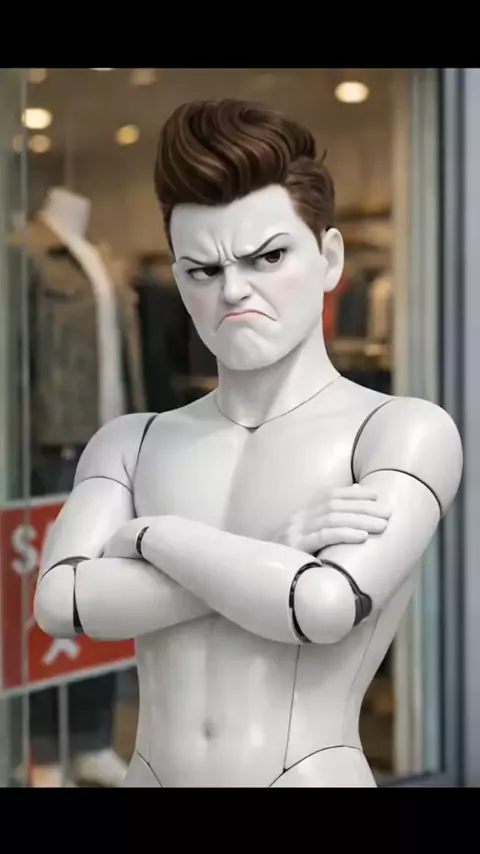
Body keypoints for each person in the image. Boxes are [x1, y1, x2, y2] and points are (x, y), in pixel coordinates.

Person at [33, 99, 463, 788]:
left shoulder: (400, 432)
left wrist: (151, 537)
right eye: (202, 270)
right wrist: (276, 547)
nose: (234, 290)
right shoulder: (131, 442)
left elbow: (319, 607)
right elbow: (63, 603)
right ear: (179, 278)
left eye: (268, 257)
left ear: (329, 258)